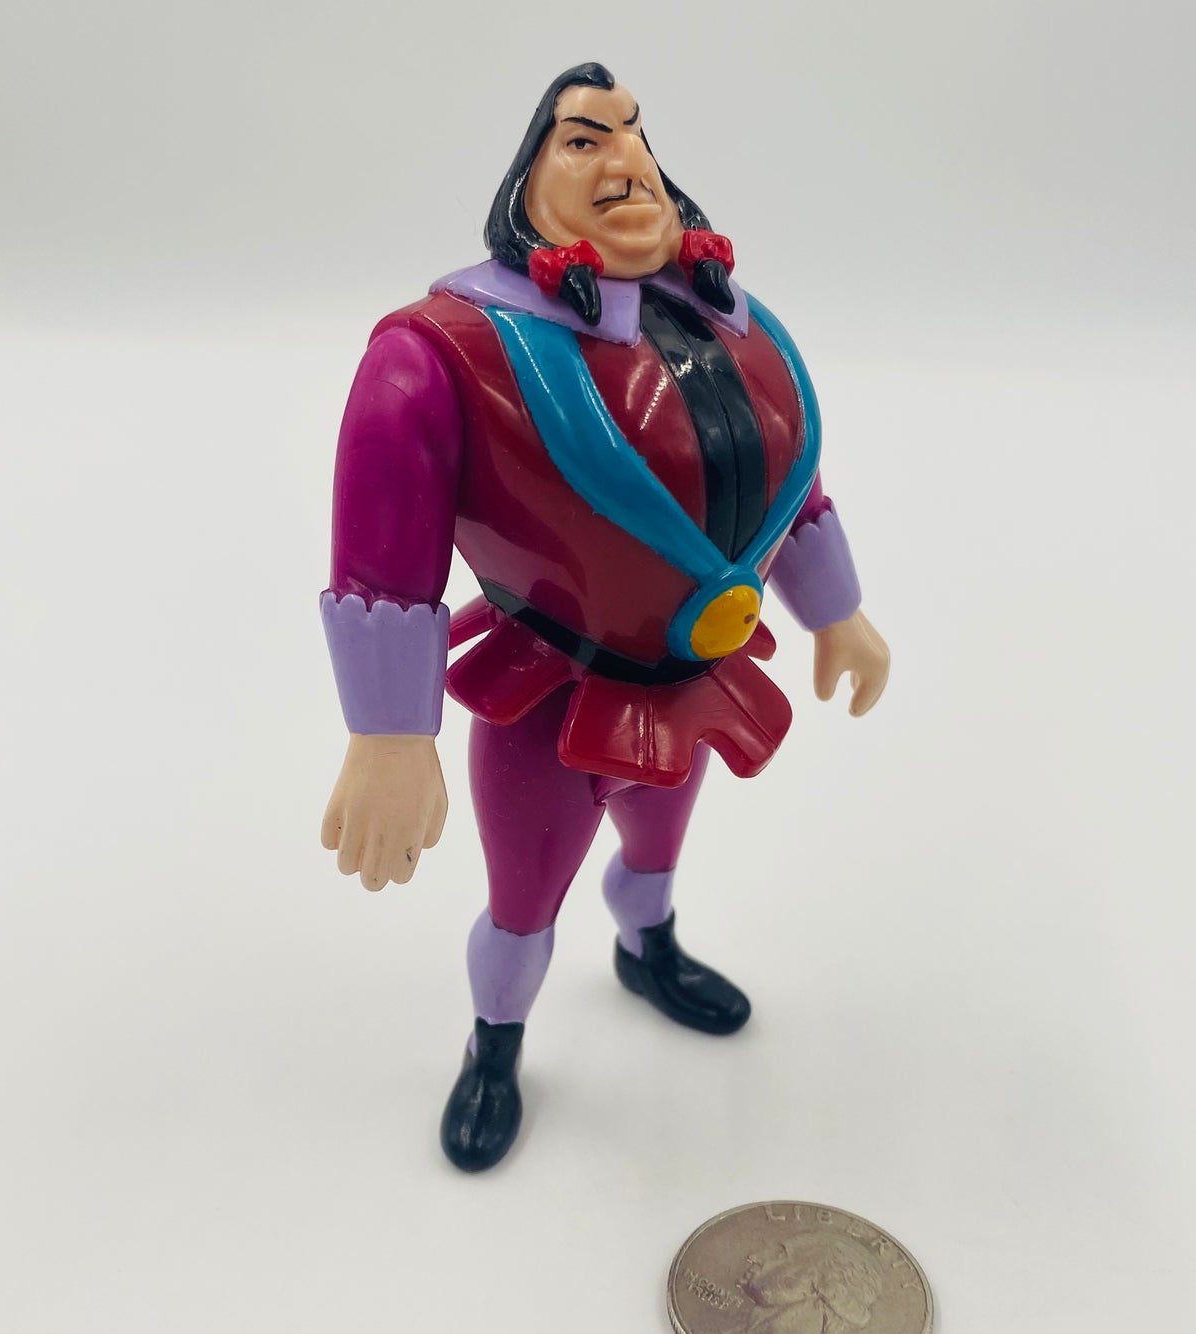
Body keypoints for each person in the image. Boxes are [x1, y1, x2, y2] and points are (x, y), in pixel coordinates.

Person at [319, 62, 891, 1171]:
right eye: (583, 139)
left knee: (659, 842)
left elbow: (785, 480)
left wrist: (837, 610)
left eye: (633, 132)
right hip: (552, 690)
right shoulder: (443, 350)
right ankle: (495, 1042)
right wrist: (388, 731)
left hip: (684, 686)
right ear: (525, 185)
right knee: (523, 899)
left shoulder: (733, 322)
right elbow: (385, 550)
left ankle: (648, 944)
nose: (625, 158)